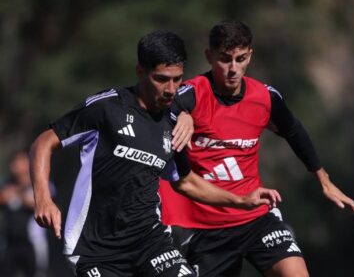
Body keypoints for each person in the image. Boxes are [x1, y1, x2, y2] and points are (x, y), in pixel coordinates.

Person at [29, 30, 281, 277]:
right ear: (141, 72)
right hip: (95, 251)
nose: (171, 89)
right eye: (161, 79)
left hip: (150, 242)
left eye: (177, 79)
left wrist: (241, 200)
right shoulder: (106, 108)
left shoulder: (174, 125)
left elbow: (186, 181)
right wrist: (43, 197)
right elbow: (44, 142)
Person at [159, 20, 354, 277]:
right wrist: (181, 114)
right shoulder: (191, 95)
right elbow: (161, 109)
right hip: (206, 227)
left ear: (249, 56)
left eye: (240, 59)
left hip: (256, 216)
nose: (233, 68)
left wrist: (324, 179)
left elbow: (294, 131)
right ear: (209, 57)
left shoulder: (264, 97)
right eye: (225, 59)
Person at [0, 149, 50, 277]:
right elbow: (3, 197)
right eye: (14, 162)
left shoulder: (39, 183)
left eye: (20, 161)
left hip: (32, 242)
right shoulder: (6, 182)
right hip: (10, 241)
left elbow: (36, 202)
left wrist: (19, 192)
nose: (15, 165)